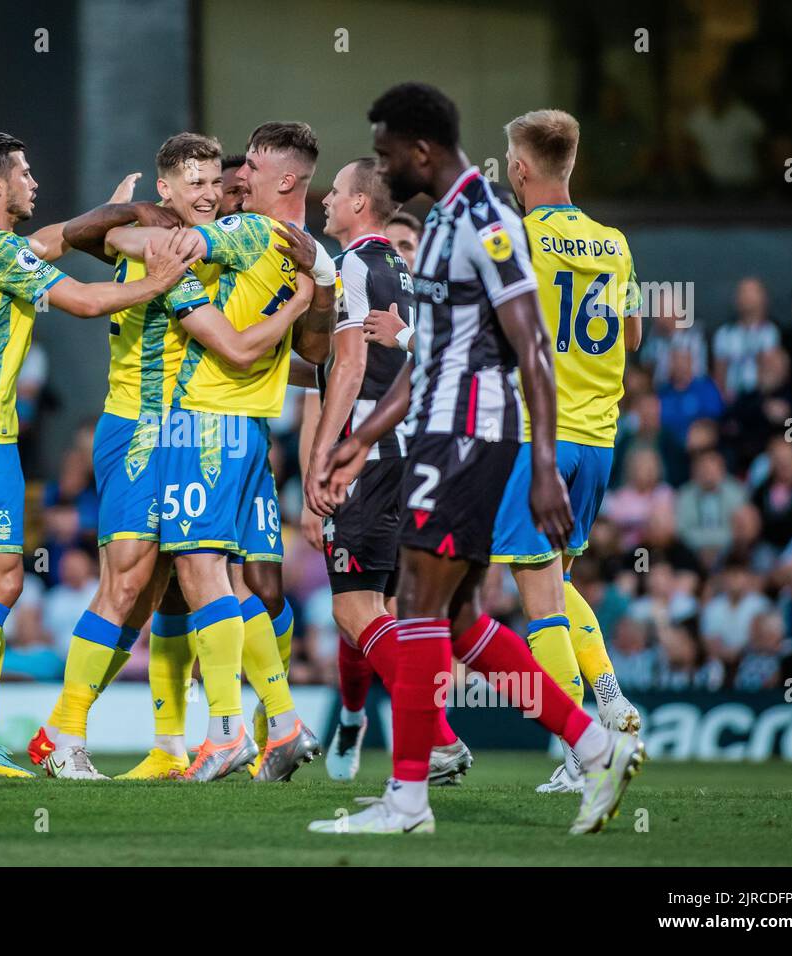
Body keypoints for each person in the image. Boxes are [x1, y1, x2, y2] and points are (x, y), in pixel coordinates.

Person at [311, 83, 642, 836]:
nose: (383, 165)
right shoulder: (450, 220)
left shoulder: (490, 220)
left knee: (422, 606)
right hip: (442, 427)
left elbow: (532, 344)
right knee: (456, 619)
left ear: (421, 149)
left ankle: (408, 803)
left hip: (470, 436)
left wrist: (548, 460)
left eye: (388, 150)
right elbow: (435, 357)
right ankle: (593, 746)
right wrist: (359, 442)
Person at [25, 132, 313, 779]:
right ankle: (66, 732)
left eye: (216, 181)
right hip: (137, 430)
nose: (211, 194)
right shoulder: (159, 243)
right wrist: (116, 213)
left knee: (167, 589)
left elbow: (239, 345)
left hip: (190, 431)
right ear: (166, 190)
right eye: (195, 183)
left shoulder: (204, 246)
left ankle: (165, 741)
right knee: (126, 582)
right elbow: (76, 237)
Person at [0, 131, 196, 780]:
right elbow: (87, 302)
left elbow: (49, 241)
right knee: (3, 582)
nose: (33, 182)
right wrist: (158, 281)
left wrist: (113, 212)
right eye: (25, 172)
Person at [103, 122, 336, 782]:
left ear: (285, 179)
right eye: (214, 183)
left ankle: (226, 731)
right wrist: (308, 294)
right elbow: (313, 357)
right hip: (250, 430)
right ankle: (283, 723)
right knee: (237, 583)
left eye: (248, 172)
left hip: (205, 423)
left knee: (202, 575)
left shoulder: (247, 233)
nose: (236, 184)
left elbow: (154, 244)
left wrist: (117, 221)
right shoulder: (309, 256)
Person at [482, 108, 644, 793]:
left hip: (533, 441)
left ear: (520, 169)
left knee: (538, 598)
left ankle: (585, 749)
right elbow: (632, 338)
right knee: (559, 582)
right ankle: (610, 698)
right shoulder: (614, 242)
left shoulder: (515, 238)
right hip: (597, 443)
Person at [306, 156, 470, 783]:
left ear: (360, 205)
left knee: (353, 611)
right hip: (410, 451)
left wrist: (326, 455)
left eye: (337, 193)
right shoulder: (402, 268)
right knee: (378, 605)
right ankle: (434, 740)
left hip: (373, 457)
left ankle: (438, 736)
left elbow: (346, 369)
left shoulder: (355, 263)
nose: (327, 201)